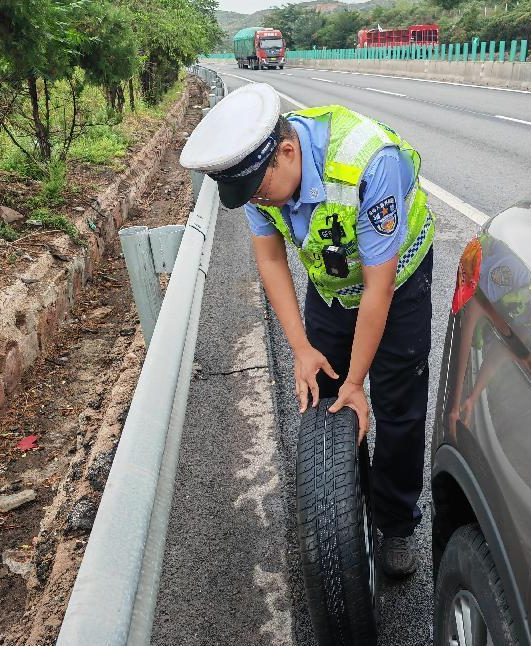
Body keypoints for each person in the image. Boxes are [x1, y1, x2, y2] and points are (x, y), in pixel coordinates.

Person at [181, 82, 435, 578]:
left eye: (260, 192)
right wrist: (300, 348)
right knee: (323, 391)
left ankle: (397, 522)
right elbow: (271, 259)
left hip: (396, 282)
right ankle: (345, 504)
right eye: (250, 196)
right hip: (334, 281)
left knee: (397, 405)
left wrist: (358, 381)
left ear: (288, 151)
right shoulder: (255, 173)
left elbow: (378, 289)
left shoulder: (369, 162)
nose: (258, 201)